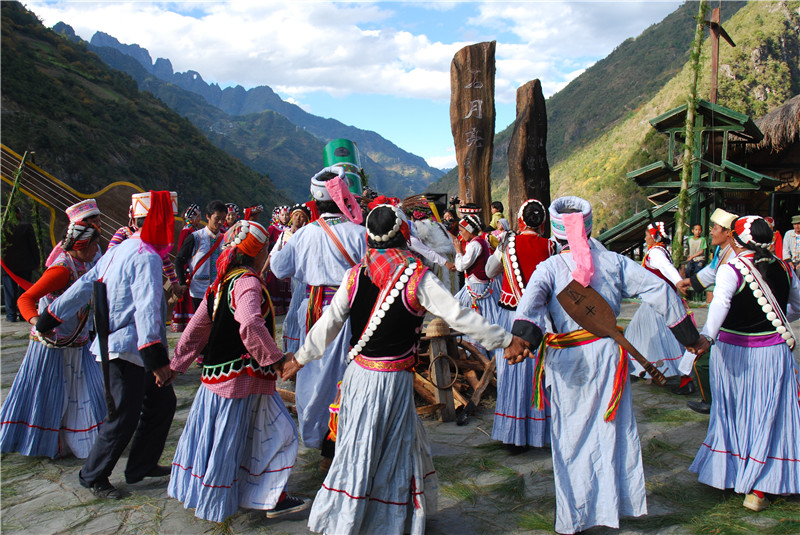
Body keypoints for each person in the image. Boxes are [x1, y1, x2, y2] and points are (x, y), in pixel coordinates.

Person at [281, 204, 528, 535]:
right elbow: (459, 316)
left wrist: (299, 357)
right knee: (391, 447)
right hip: (392, 382)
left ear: (369, 237)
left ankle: (353, 515)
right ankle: (386, 520)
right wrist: (506, 339)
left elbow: (328, 323)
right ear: (403, 235)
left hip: (357, 377)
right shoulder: (416, 278)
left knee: (359, 446)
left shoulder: (354, 276)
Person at [505, 196, 706, 534]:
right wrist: (690, 337)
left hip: (569, 363)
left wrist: (522, 338)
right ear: (590, 225)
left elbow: (530, 304)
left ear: (554, 233)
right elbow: (660, 290)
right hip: (609, 359)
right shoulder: (614, 262)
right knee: (611, 431)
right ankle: (612, 508)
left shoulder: (550, 268)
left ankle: (578, 517)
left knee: (572, 438)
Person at [38, 191, 179, 499]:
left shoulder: (124, 248)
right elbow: (146, 308)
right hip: (127, 349)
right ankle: (93, 475)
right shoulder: (145, 256)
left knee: (162, 404)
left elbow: (86, 284)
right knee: (123, 416)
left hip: (131, 347)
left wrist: (50, 316)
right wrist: (157, 362)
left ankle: (141, 465)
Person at [168, 220, 310, 522]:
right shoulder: (247, 283)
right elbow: (249, 323)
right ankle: (263, 496)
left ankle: (258, 495)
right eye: (266, 251)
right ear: (257, 254)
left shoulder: (221, 282)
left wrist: (176, 364)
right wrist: (275, 359)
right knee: (277, 434)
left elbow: (197, 328)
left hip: (220, 380)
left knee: (234, 438)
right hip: (241, 379)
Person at [688, 215, 800, 512]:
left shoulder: (731, 269)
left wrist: (706, 337)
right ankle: (764, 485)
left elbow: (720, 303)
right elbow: (797, 306)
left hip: (736, 354)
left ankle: (733, 473)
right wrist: (769, 320)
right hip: (774, 353)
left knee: (736, 412)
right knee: (770, 416)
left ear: (735, 240)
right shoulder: (785, 268)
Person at [270, 166, 365, 469]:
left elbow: (279, 269)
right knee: (347, 376)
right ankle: (344, 441)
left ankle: (323, 440)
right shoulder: (359, 233)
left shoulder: (303, 235)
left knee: (315, 376)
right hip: (350, 309)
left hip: (314, 309)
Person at [0, 221, 104, 459]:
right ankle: (43, 442)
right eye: (93, 245)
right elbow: (25, 299)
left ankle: (83, 442)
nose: (96, 250)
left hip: (77, 342)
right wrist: (38, 322)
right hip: (52, 345)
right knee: (48, 394)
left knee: (85, 391)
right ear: (80, 244)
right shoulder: (61, 270)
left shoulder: (85, 264)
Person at [485, 199, 554, 449]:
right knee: (537, 373)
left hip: (511, 317)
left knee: (512, 373)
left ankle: (513, 436)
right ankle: (539, 433)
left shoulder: (506, 242)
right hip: (539, 321)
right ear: (543, 223)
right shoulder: (551, 247)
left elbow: (490, 270)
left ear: (520, 221)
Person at [676, 208, 737, 414]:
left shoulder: (735, 255)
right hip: (723, 314)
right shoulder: (722, 251)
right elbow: (711, 271)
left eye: (715, 228)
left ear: (728, 232)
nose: (710, 232)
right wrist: (688, 282)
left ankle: (712, 401)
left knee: (703, 359)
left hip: (731, 315)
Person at [625, 222, 692, 391]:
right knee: (644, 332)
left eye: (647, 235)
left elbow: (666, 268)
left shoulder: (655, 252)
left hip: (658, 301)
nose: (645, 238)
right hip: (658, 299)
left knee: (657, 335)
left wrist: (678, 282)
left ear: (654, 236)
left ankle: (661, 371)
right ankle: (647, 369)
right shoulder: (661, 250)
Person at [264, 204, 311, 353]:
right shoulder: (284, 234)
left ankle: (297, 345)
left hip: (300, 277)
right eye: (296, 215)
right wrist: (262, 271)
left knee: (297, 309)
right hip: (286, 276)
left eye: (302, 216)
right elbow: (273, 253)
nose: (298, 218)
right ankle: (290, 346)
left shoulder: (307, 235)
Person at [175, 200, 227, 311]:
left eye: (223, 219)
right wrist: (182, 282)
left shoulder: (226, 239)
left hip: (219, 291)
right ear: (208, 216)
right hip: (199, 292)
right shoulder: (195, 237)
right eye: (217, 218)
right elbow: (179, 260)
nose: (220, 222)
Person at [1, 206, 40, 322]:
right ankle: (24, 314)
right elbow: (33, 246)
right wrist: (37, 261)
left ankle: (11, 315)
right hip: (24, 264)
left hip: (7, 266)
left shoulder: (3, 228)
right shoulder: (26, 227)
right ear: (16, 214)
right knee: (25, 291)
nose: (22, 215)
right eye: (20, 212)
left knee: (10, 292)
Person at [171, 204, 202, 332]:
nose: (199, 218)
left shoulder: (193, 230)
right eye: (198, 216)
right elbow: (181, 253)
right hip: (187, 270)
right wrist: (183, 270)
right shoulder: (187, 231)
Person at [44, 199, 102, 268]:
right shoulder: (63, 263)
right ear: (81, 223)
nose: (99, 224)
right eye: (94, 221)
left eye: (99, 220)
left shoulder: (95, 247)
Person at [265, 205, 292, 315]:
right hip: (275, 259)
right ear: (278, 216)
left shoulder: (292, 229)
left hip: (288, 260)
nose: (285, 217)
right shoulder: (272, 229)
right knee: (275, 283)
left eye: (286, 215)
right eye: (282, 215)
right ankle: (277, 307)